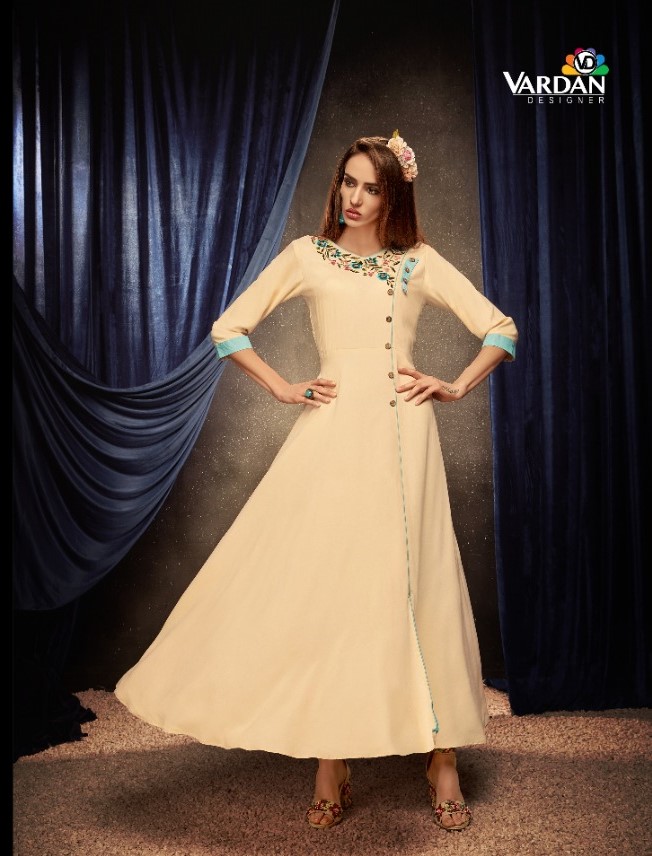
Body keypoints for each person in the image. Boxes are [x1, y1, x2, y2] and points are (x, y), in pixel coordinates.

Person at [115, 131, 518, 832]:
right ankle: (332, 760)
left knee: (421, 581)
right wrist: (282, 387)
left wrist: (454, 385)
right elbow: (228, 329)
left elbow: (501, 330)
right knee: (332, 588)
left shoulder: (418, 262)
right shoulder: (308, 254)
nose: (354, 198)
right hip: (332, 437)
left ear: (394, 197)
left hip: (407, 439)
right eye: (348, 182)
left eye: (372, 188)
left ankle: (443, 755)